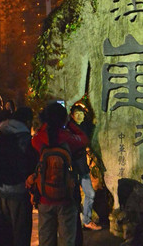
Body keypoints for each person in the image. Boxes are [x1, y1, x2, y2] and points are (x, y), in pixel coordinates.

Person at [28, 101, 89, 246]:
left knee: (46, 240)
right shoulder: (67, 138)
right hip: (66, 198)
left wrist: (44, 125)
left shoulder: (38, 139)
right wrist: (70, 124)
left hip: (45, 197)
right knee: (67, 240)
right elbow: (84, 138)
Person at [0, 106, 38, 246]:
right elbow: (31, 165)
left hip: (0, 191)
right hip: (20, 191)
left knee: (3, 232)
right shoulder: (26, 139)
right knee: (21, 233)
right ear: (27, 121)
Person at [69, 102, 100, 232]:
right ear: (72, 115)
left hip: (82, 166)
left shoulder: (86, 126)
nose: (79, 116)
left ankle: (86, 220)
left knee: (90, 193)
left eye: (81, 113)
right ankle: (76, 222)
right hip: (72, 167)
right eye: (77, 113)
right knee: (74, 196)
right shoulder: (68, 129)